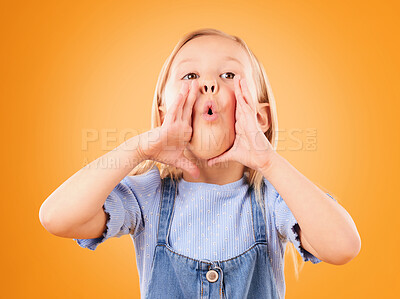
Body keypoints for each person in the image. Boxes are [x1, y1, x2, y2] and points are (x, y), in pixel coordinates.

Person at [39, 28, 361, 299]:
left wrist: (267, 160)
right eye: (191, 75)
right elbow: (56, 217)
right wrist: (138, 148)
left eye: (228, 74)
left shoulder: (274, 200)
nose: (208, 84)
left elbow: (344, 246)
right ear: (164, 115)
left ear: (260, 117)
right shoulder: (147, 197)